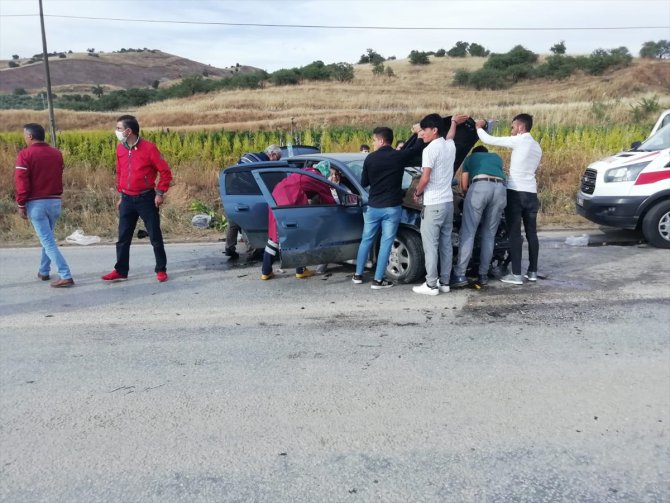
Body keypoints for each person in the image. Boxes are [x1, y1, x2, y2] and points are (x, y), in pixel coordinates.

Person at [102, 115, 173, 282]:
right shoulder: (120, 148)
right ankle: (120, 270)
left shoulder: (149, 148)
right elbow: (120, 172)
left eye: (119, 129)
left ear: (128, 131)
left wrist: (160, 193)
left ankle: (161, 269)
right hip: (127, 199)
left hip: (146, 198)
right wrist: (121, 195)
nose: (117, 131)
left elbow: (165, 172)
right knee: (123, 238)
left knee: (155, 236)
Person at [352, 125, 423, 289]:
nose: (373, 143)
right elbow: (417, 148)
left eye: (374, 140)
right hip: (392, 208)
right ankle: (377, 280)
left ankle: (358, 275)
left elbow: (364, 183)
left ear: (381, 140)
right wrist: (418, 133)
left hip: (373, 207)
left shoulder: (370, 158)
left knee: (366, 240)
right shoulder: (398, 157)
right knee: (386, 243)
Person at [475, 114, 542, 285]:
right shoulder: (536, 146)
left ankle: (517, 274)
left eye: (512, 127)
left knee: (514, 233)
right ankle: (532, 271)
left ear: (520, 127)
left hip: (516, 192)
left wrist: (478, 127)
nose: (511, 131)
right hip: (531, 194)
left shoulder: (520, 140)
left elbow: (489, 140)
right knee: (532, 233)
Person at [412, 113, 468, 295]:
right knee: (445, 244)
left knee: (430, 246)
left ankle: (430, 284)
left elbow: (425, 177)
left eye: (424, 130)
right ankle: (444, 282)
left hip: (433, 203)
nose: (422, 134)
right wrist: (453, 123)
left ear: (434, 130)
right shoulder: (449, 145)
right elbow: (450, 135)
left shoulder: (429, 150)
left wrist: (417, 192)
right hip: (447, 203)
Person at [14, 123, 75, 288]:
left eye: (24, 135)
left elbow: (21, 182)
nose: (24, 138)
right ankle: (44, 271)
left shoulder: (25, 154)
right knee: (47, 238)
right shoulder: (56, 154)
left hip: (36, 203)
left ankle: (65, 274)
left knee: (47, 241)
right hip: (55, 202)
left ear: (30, 136)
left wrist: (21, 203)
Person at [261, 162, 335, 280]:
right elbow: (328, 197)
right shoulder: (318, 177)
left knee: (274, 236)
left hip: (276, 196)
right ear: (324, 172)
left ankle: (266, 271)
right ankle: (300, 270)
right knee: (300, 236)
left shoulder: (306, 171)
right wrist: (336, 207)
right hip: (290, 200)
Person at [450, 146, 507, 287]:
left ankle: (460, 274)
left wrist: (467, 198)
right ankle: (483, 274)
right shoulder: (497, 158)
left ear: (474, 153)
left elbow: (464, 186)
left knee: (468, 232)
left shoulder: (470, 158)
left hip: (480, 188)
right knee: (489, 234)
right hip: (500, 189)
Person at [226, 145, 283, 259]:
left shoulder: (249, 156)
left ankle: (229, 247)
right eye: (277, 158)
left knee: (234, 222)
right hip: (246, 194)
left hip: (233, 192)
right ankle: (253, 249)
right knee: (248, 222)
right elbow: (258, 182)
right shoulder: (262, 163)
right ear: (273, 155)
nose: (276, 161)